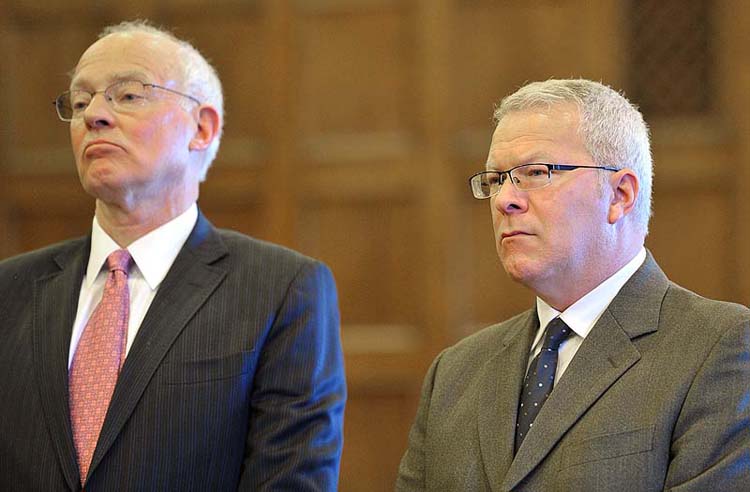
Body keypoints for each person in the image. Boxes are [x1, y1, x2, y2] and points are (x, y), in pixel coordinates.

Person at [0, 20, 345, 491]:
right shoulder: (9, 291)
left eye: (128, 95)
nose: (94, 115)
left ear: (201, 128)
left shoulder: (281, 290)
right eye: (80, 102)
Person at [396, 79, 750, 491]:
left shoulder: (720, 348)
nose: (503, 200)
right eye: (496, 180)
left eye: (535, 173)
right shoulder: (455, 372)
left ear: (620, 195)